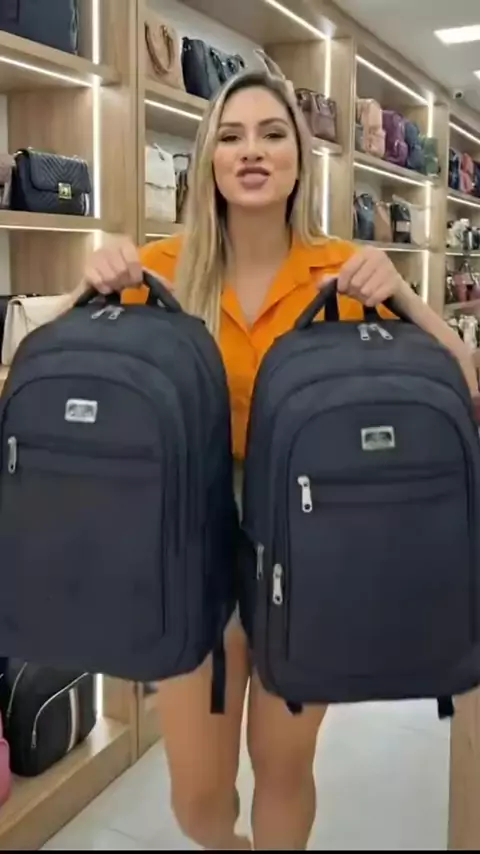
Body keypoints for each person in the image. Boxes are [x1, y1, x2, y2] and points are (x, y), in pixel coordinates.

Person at [72, 71, 477, 851]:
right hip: (193, 539)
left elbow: (459, 379)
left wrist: (403, 295)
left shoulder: (345, 271)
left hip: (311, 539)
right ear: (209, 159)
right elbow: (44, 355)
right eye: (231, 136)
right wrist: (84, 287)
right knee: (198, 799)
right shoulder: (162, 267)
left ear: (299, 157)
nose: (251, 151)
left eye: (272, 133)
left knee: (284, 769)